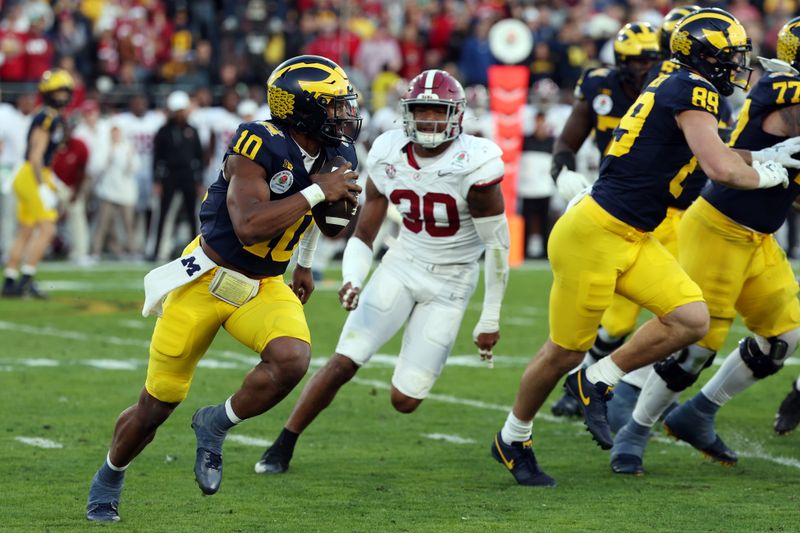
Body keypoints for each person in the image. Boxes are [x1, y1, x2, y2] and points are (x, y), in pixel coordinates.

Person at [491, 8, 800, 487]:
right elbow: (720, 168)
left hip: (634, 233)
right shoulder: (693, 90)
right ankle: (513, 437)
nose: (738, 65)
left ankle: (598, 379)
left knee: (691, 319)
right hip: (596, 234)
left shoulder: (677, 82)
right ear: (705, 57)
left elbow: (710, 151)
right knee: (562, 352)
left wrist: (759, 154)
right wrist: (767, 172)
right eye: (730, 56)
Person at [85, 55, 363, 522]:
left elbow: (327, 223)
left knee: (292, 359)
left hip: (263, 284)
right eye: (334, 106)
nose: (344, 115)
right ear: (302, 107)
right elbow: (250, 225)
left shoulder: (338, 155)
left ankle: (216, 423)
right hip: (206, 279)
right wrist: (318, 191)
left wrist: (308, 262)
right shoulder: (256, 142)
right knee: (155, 407)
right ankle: (110, 474)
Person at [254, 69, 509, 475]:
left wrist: (490, 315)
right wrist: (354, 277)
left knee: (404, 401)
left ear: (456, 115)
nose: (427, 121)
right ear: (407, 113)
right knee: (343, 359)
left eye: (436, 112)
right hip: (402, 262)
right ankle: (283, 443)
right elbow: (366, 230)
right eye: (420, 111)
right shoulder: (389, 149)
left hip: (453, 279)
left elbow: (498, 245)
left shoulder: (475, 163)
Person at [610, 18, 800, 472]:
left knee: (784, 338)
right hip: (717, 227)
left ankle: (700, 411)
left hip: (759, 237)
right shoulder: (783, 91)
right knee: (694, 347)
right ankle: (634, 429)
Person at [548, 22, 660, 416]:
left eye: (652, 58)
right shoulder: (600, 86)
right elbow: (568, 140)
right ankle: (586, 385)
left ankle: (621, 390)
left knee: (685, 315)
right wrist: (562, 168)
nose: (646, 66)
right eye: (638, 59)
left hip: (666, 207)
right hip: (612, 203)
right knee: (610, 317)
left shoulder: (670, 89)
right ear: (620, 61)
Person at [2, 69, 73, 298]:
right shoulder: (48, 117)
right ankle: (26, 280)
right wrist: (43, 187)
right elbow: (36, 156)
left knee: (26, 230)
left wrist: (53, 182)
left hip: (32, 174)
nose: (61, 95)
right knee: (48, 228)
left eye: (64, 91)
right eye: (57, 91)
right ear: (48, 93)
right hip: (31, 175)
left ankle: (11, 280)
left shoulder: (51, 116)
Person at [148, 90, 204, 262]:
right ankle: (156, 250)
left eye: (182, 110)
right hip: (169, 175)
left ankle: (197, 253)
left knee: (192, 215)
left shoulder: (192, 130)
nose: (180, 114)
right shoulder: (163, 131)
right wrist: (156, 181)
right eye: (177, 110)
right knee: (163, 214)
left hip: (188, 175)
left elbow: (199, 156)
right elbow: (156, 158)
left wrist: (199, 180)